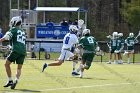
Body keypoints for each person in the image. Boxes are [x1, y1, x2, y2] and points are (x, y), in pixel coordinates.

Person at [0, 16, 26, 89]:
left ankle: (10, 80)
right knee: (19, 68)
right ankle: (16, 80)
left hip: (16, 50)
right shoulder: (22, 31)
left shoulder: (13, 29)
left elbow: (6, 37)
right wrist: (10, 47)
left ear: (14, 22)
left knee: (6, 64)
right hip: (23, 51)